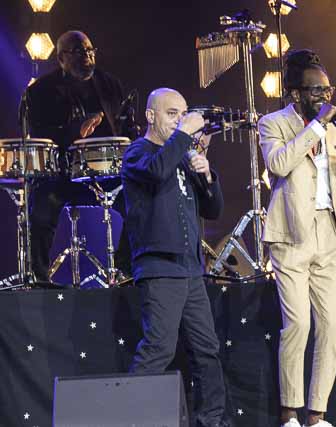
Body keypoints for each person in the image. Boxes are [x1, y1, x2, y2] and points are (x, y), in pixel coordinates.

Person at [258, 49, 336, 427]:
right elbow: (278, 164)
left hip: (330, 236)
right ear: (296, 94)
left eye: (328, 91)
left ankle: (317, 415)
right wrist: (315, 128)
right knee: (299, 325)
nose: (326, 98)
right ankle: (289, 413)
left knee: (331, 328)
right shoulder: (273, 122)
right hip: (291, 235)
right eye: (316, 92)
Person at [122, 88, 227, 427]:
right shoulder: (139, 152)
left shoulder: (179, 154)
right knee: (159, 349)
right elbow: (155, 171)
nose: (180, 121)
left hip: (191, 269)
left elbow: (213, 210)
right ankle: (131, 418)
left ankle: (210, 420)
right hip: (160, 266)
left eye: (183, 114)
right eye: (172, 113)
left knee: (206, 349)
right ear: (151, 116)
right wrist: (183, 136)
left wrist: (206, 175)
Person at [25, 30, 134, 282]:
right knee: (41, 207)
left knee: (140, 199)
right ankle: (38, 277)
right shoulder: (40, 91)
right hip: (62, 175)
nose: (86, 56)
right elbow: (39, 135)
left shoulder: (110, 85)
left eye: (89, 50)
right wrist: (75, 130)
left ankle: (125, 269)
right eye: (77, 51)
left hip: (106, 174)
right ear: (61, 58)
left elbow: (125, 128)